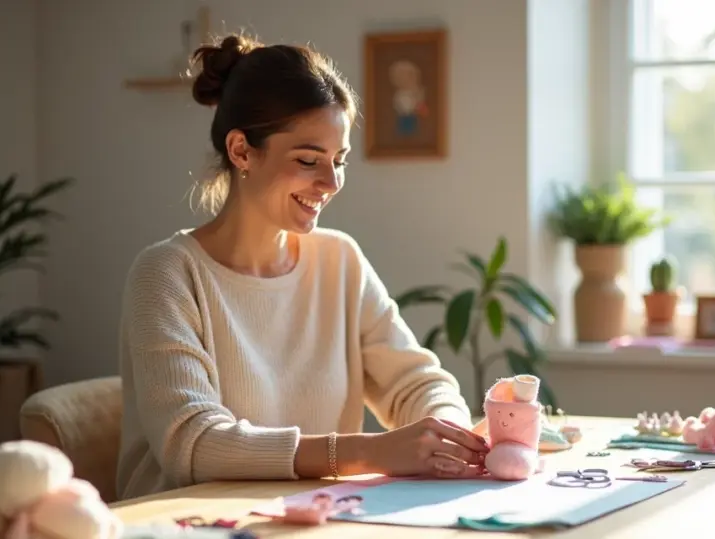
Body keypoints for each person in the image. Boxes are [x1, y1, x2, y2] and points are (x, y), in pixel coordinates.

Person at [115, 34, 487, 500]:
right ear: (241, 151)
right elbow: (193, 443)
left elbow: (415, 383)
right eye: (309, 160)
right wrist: (370, 452)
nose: (331, 182)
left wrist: (449, 435)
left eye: (340, 160)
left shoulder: (340, 260)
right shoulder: (167, 274)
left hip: (315, 519)